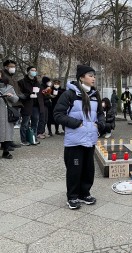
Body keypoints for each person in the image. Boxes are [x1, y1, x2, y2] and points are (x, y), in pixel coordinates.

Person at [54, 65, 105, 210]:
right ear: (81, 77)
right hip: (74, 141)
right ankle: (72, 197)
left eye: (94, 75)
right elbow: (58, 114)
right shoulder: (69, 94)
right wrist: (77, 124)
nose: (93, 78)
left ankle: (85, 194)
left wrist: (99, 124)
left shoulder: (95, 94)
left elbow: (101, 113)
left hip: (90, 139)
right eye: (90, 75)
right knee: (74, 170)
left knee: (88, 169)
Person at [18, 66, 43, 146]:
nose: (34, 72)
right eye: (32, 70)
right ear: (28, 71)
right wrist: (28, 95)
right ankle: (23, 139)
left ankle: (33, 138)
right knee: (25, 123)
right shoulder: (22, 82)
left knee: (35, 123)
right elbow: (20, 94)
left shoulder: (37, 82)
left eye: (35, 70)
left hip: (36, 105)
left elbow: (40, 93)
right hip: (27, 105)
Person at [0, 60, 22, 149]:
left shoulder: (11, 81)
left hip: (8, 108)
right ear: (5, 67)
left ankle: (7, 145)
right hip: (4, 108)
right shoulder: (8, 77)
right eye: (11, 66)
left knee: (9, 127)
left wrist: (13, 96)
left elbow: (15, 95)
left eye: (14, 66)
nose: (13, 68)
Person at [0, 74, 19, 159]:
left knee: (7, 133)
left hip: (7, 114)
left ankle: (6, 151)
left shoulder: (10, 87)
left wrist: (11, 96)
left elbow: (16, 99)